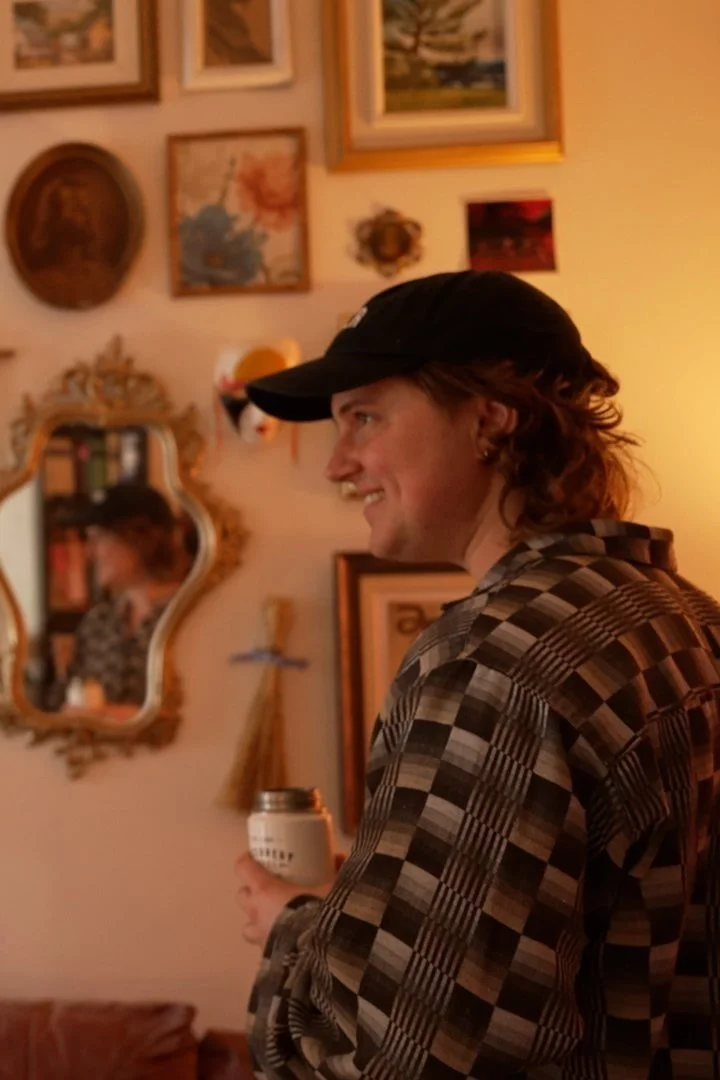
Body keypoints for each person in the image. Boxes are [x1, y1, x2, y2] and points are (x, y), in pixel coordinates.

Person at [236, 271, 720, 1079]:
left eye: (364, 417)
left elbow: (408, 1059)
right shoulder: (689, 621)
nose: (338, 464)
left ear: (491, 420)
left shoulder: (500, 659)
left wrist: (293, 932)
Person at [46, 483, 185, 720]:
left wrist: (120, 717)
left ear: (139, 539)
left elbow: (209, 715)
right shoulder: (99, 621)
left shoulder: (193, 616)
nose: (89, 552)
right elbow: (59, 702)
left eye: (98, 538)